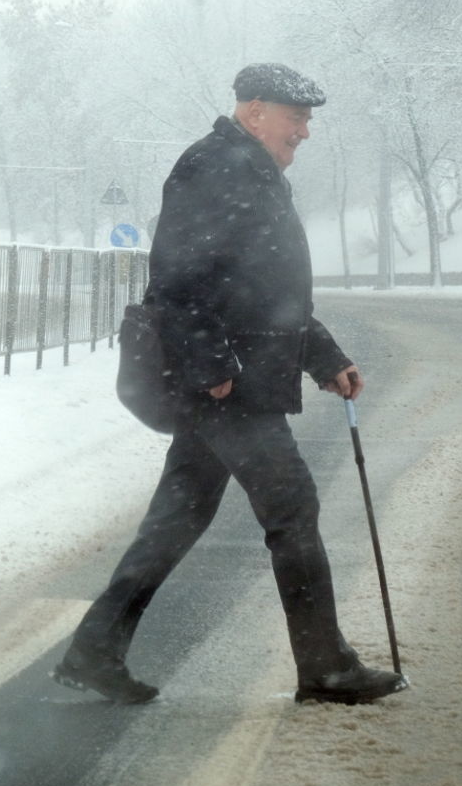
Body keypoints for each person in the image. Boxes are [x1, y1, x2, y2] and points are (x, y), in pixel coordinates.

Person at [53, 63, 407, 706]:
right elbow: (177, 278)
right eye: (296, 118)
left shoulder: (251, 171)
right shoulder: (219, 166)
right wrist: (211, 366)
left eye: (307, 119)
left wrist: (323, 356)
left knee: (176, 519)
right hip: (230, 388)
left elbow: (266, 290)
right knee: (292, 509)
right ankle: (326, 666)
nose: (305, 131)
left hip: (232, 381)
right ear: (254, 112)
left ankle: (94, 650)